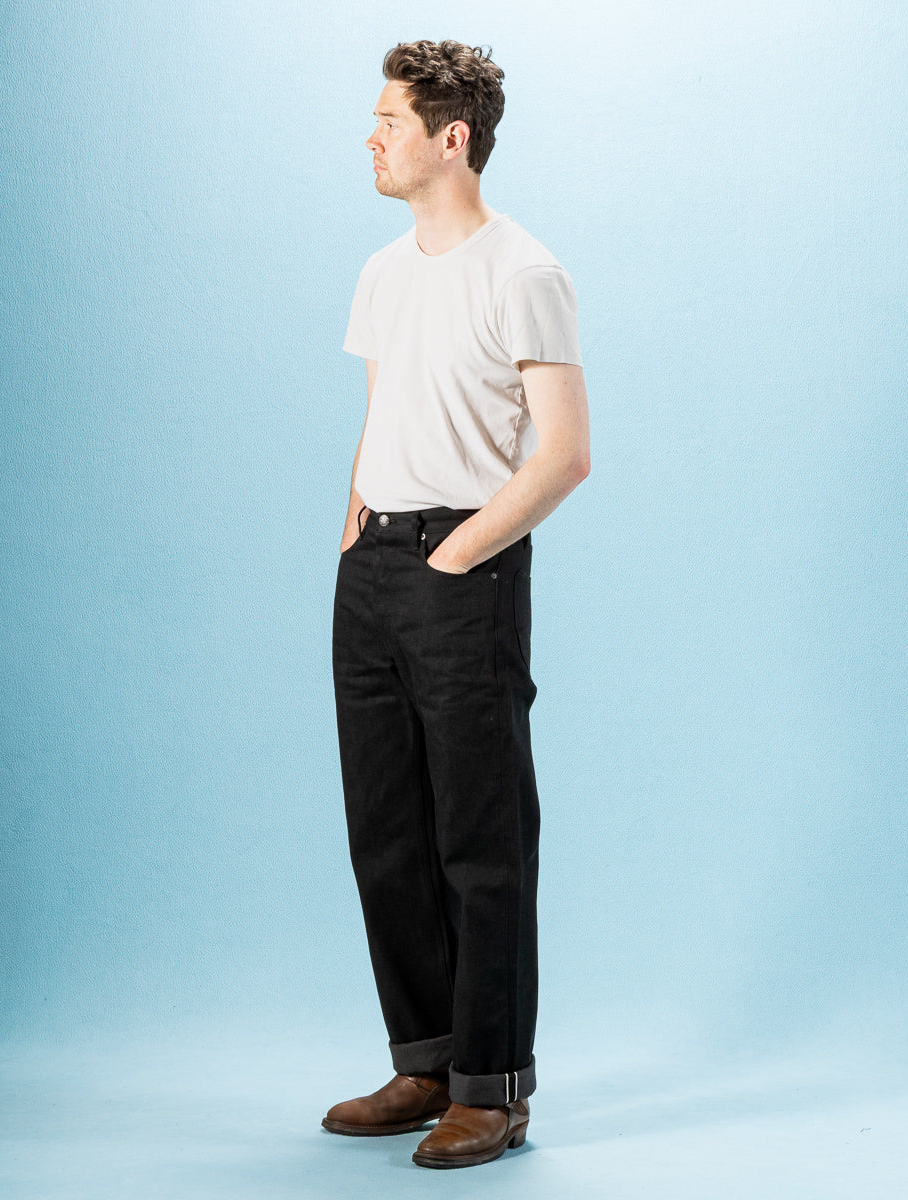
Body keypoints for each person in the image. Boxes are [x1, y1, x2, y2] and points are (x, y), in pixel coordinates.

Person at [323, 39, 590, 1170]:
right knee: (386, 833)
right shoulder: (382, 273)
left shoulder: (524, 271)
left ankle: (491, 1087)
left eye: (389, 121)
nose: (371, 138)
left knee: (481, 840)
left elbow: (564, 454)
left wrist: (455, 555)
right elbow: (384, 414)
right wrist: (356, 533)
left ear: (452, 138)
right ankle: (424, 1061)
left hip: (462, 567)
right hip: (373, 568)